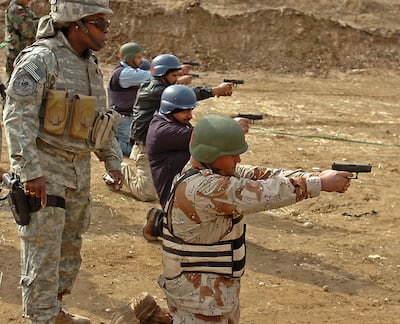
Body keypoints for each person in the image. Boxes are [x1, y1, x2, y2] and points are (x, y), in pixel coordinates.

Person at [157, 114, 352, 323]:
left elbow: (262, 175)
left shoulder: (206, 171)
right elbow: (262, 191)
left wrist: (315, 176)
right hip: (200, 297)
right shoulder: (205, 188)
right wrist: (318, 184)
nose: (238, 159)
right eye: (232, 155)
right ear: (212, 154)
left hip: (209, 290)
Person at [2, 0, 123, 323]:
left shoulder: (90, 64)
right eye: (100, 23)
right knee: (43, 252)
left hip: (78, 171)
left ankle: (54, 309)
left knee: (69, 248)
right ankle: (40, 317)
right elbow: (17, 117)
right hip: (44, 172)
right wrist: (29, 172)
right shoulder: (42, 58)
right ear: (76, 24)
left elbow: (98, 118)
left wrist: (112, 161)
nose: (107, 30)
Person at [115, 53, 234, 203]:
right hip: (145, 145)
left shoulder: (160, 85)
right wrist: (215, 90)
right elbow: (183, 95)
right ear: (161, 74)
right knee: (147, 194)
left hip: (162, 143)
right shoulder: (155, 90)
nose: (175, 78)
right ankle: (118, 166)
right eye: (173, 75)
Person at [143, 84, 249, 241]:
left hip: (184, 186)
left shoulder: (170, 121)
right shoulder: (163, 130)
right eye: (185, 111)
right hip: (176, 193)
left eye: (190, 110)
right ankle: (158, 222)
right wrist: (232, 125)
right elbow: (204, 134)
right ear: (170, 109)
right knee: (189, 231)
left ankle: (159, 219)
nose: (190, 115)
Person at [107, 42, 151, 157]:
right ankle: (109, 143)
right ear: (129, 57)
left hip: (128, 118)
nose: (141, 60)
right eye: (138, 57)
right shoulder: (124, 73)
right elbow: (150, 76)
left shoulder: (127, 72)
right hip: (124, 119)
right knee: (135, 151)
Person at [5, 0, 39, 82]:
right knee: (15, 84)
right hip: (17, 55)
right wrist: (42, 23)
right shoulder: (16, 10)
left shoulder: (23, 9)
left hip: (26, 54)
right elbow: (29, 32)